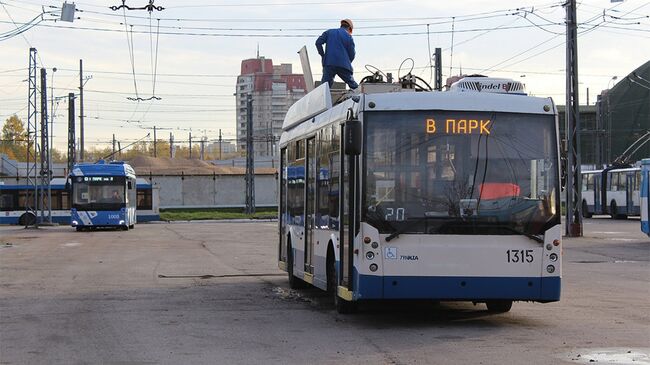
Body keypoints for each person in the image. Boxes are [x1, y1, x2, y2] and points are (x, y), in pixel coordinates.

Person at [315, 19, 358, 90]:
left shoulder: (329, 32)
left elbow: (318, 43)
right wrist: (347, 62)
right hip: (343, 65)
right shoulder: (349, 37)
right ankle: (364, 97)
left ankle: (323, 100)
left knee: (325, 88)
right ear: (349, 29)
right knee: (353, 85)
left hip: (329, 63)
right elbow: (352, 54)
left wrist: (323, 55)